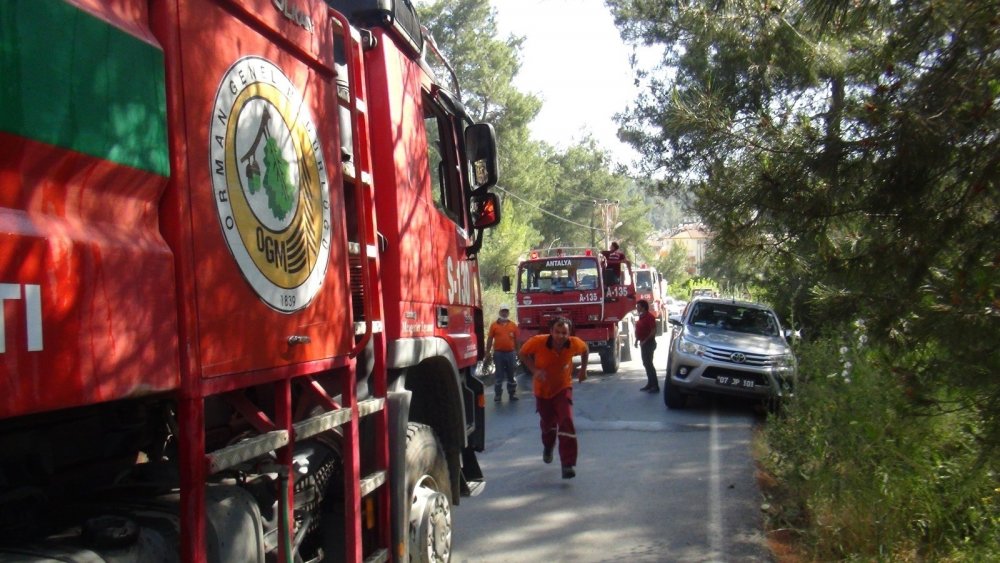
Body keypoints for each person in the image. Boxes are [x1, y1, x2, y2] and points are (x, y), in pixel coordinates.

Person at [518, 317, 589, 479]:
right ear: (551, 332)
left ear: (569, 333)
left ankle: (568, 464)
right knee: (548, 425)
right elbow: (522, 353)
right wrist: (535, 370)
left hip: (563, 388)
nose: (560, 336)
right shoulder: (537, 341)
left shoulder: (574, 343)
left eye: (564, 332)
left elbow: (585, 350)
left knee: (566, 421)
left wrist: (583, 370)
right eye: (557, 332)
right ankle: (548, 447)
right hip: (542, 391)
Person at [486, 305, 519, 402]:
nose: (504, 313)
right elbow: (489, 339)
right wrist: (487, 352)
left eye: (506, 311)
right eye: (503, 311)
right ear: (500, 312)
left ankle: (512, 394)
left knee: (511, 374)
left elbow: (517, 340)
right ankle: (498, 395)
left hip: (511, 353)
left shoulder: (513, 325)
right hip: (498, 354)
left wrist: (518, 352)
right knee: (498, 375)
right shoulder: (494, 325)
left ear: (508, 313)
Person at [634, 299, 660, 393]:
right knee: (646, 364)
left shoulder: (650, 317)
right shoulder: (641, 316)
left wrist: (645, 341)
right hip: (643, 343)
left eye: (638, 307)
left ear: (644, 307)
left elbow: (653, 331)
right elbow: (639, 329)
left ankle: (655, 385)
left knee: (649, 364)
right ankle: (650, 383)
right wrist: (637, 340)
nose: (637, 308)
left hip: (649, 343)